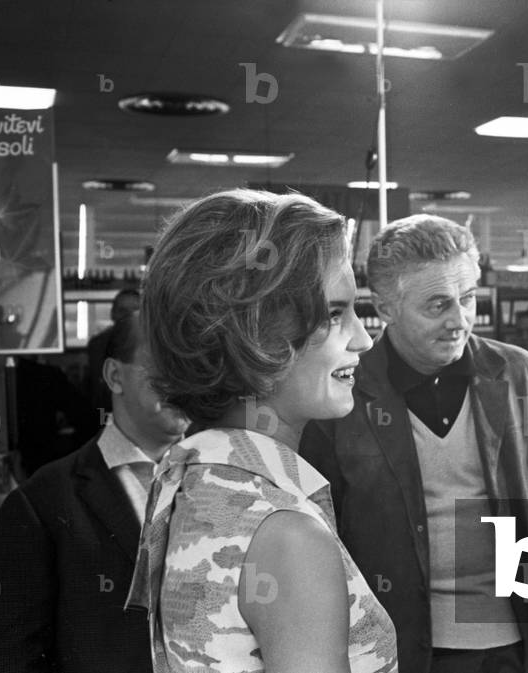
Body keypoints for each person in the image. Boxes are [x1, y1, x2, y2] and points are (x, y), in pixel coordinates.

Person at [124, 189, 395, 673]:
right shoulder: (286, 532)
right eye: (335, 314)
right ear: (256, 330)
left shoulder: (187, 478)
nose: (363, 337)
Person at [300, 214, 528, 673]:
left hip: (518, 638)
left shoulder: (519, 373)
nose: (459, 320)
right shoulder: (343, 392)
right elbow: (327, 529)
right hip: (398, 643)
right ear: (385, 308)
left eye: (468, 298)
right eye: (437, 305)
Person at [0, 311, 190, 673]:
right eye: (165, 364)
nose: (183, 382)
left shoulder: (223, 479)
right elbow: (4, 654)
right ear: (114, 376)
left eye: (192, 367)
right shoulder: (42, 502)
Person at [87, 289, 141, 413]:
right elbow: (98, 390)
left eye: (135, 309)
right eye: (122, 311)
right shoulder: (98, 344)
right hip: (106, 411)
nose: (129, 315)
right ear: (112, 314)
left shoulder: (155, 343)